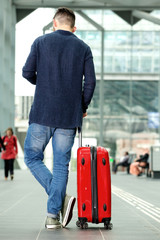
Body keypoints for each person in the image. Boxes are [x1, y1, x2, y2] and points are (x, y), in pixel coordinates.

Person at [22, 7, 96, 230]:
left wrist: (44, 85)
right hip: (69, 116)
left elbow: (27, 72)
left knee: (32, 157)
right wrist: (81, 106)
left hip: (42, 112)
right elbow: (90, 83)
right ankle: (52, 215)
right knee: (61, 165)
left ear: (54, 23)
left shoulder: (40, 42)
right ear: (74, 28)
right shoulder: (83, 47)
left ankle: (61, 201)